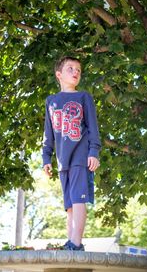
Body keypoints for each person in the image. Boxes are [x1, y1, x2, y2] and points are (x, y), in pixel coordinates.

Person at [42, 56, 101, 251]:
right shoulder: (51, 101)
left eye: (78, 70)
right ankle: (70, 241)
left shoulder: (84, 97)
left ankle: (76, 243)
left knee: (78, 199)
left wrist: (94, 152)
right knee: (69, 204)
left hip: (80, 157)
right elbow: (48, 133)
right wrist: (46, 158)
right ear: (59, 74)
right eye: (70, 68)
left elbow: (93, 127)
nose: (76, 72)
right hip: (62, 161)